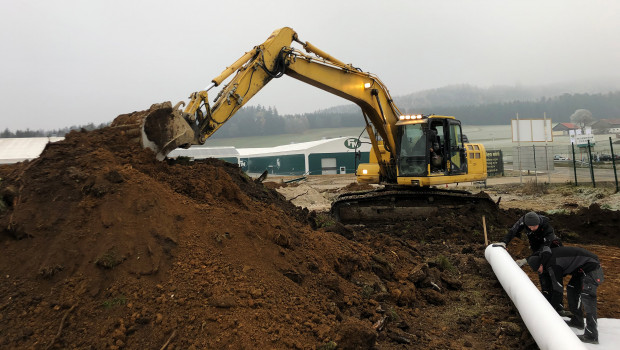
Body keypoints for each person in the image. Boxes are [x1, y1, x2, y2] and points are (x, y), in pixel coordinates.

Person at [527, 246, 604, 344]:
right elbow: (550, 287)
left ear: (541, 264)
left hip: (592, 268)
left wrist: (549, 311)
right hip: (580, 269)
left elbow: (558, 290)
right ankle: (577, 321)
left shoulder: (553, 264)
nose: (539, 271)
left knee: (588, 298)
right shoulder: (547, 260)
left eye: (538, 269)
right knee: (572, 289)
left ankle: (592, 335)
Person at [498, 211, 563, 307]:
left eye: (534, 226)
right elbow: (513, 231)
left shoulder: (547, 228)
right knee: (542, 274)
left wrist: (526, 260)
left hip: (552, 249)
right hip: (537, 247)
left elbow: (544, 249)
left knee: (553, 275)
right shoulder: (524, 221)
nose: (531, 229)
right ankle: (547, 300)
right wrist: (504, 242)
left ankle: (559, 306)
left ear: (538, 223)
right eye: (529, 227)